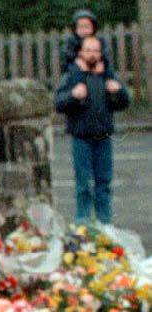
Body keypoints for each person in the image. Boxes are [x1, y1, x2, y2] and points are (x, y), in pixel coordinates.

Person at [55, 35, 131, 225]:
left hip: (104, 137)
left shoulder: (107, 74)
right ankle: (83, 224)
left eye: (96, 50)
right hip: (81, 138)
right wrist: (73, 95)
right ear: (80, 52)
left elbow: (125, 102)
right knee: (84, 185)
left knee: (104, 183)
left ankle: (105, 224)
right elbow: (58, 103)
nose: (92, 54)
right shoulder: (72, 76)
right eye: (88, 50)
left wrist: (118, 91)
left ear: (101, 53)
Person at [60, 8, 110, 74]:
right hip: (76, 70)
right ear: (75, 29)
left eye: (87, 26)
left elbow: (105, 54)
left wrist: (102, 63)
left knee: (111, 77)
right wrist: (76, 61)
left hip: (96, 68)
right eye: (80, 27)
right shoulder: (71, 41)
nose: (84, 30)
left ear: (93, 27)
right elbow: (66, 57)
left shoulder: (99, 40)